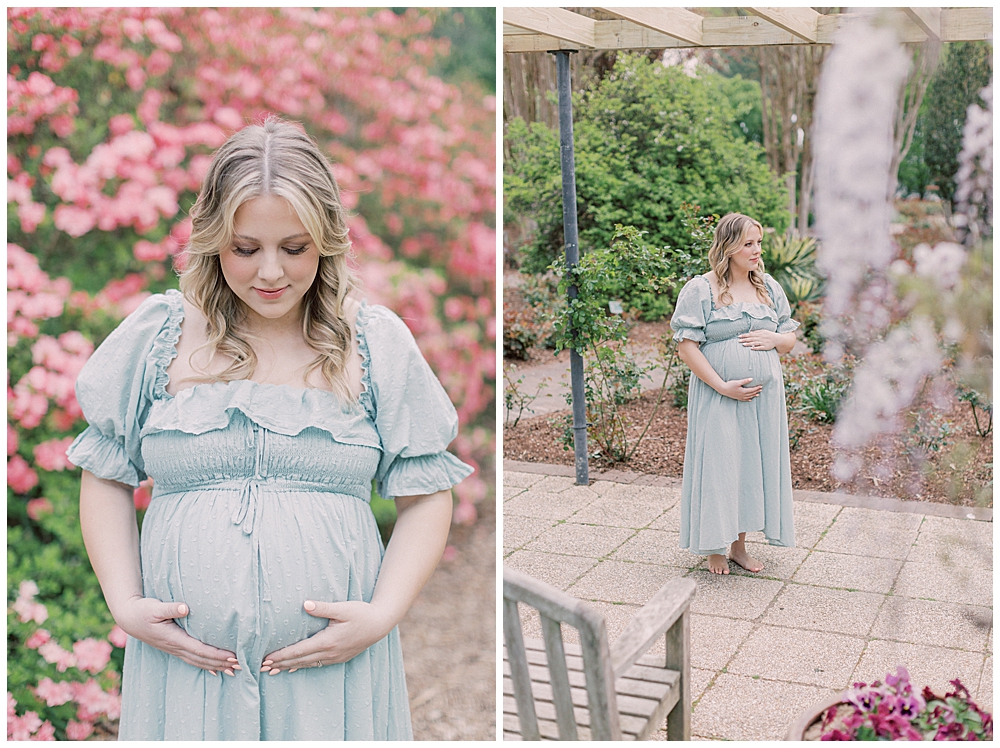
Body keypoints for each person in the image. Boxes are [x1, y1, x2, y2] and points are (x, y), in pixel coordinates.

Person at [65, 118, 474, 740]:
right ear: (213, 242)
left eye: (295, 247)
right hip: (186, 672)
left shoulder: (374, 343)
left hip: (332, 673)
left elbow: (426, 495)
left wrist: (383, 615)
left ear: (327, 241)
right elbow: (105, 475)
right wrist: (124, 605)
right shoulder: (159, 337)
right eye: (245, 248)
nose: (270, 272)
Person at [669, 213, 797, 576]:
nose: (757, 250)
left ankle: (739, 546)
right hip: (719, 395)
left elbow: (789, 338)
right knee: (719, 466)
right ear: (728, 247)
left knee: (749, 468)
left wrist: (776, 340)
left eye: (758, 243)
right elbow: (687, 347)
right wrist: (722, 386)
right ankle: (713, 547)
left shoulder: (768, 287)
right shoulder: (701, 288)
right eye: (748, 244)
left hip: (763, 401)